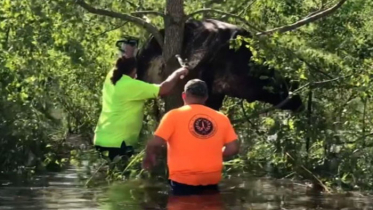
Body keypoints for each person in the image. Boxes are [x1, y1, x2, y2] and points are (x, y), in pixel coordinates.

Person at [142, 79, 240, 196]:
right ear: (205, 97)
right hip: (211, 178)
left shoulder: (173, 115)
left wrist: (149, 157)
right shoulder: (221, 118)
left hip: (183, 179)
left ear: (184, 95)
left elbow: (155, 143)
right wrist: (215, 154)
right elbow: (233, 148)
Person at [94, 46, 189, 161]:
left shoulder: (111, 78)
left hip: (101, 138)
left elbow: (120, 64)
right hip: (118, 144)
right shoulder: (130, 85)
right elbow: (164, 89)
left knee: (106, 176)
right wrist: (178, 73)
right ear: (134, 70)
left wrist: (128, 53)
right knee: (121, 175)